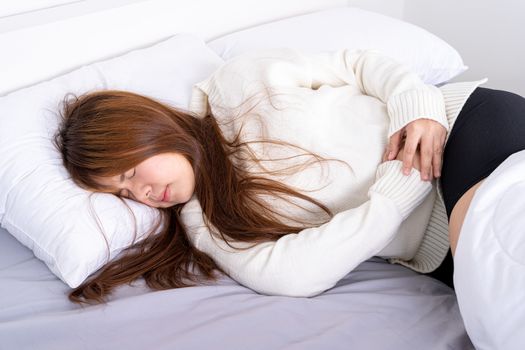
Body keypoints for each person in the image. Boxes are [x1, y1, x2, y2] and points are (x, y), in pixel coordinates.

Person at [54, 48, 525, 308]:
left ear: (150, 130)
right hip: (436, 245)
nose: (141, 194)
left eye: (132, 172)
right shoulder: (208, 223)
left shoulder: (236, 83)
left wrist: (419, 112)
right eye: (122, 192)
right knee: (501, 302)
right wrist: (396, 195)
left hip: (463, 128)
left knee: (506, 266)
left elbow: (359, 64)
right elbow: (291, 277)